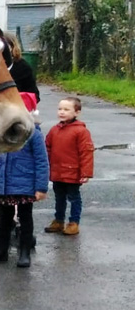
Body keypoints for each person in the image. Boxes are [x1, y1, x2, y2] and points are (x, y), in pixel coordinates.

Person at [0, 95, 50, 267]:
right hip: (2, 183)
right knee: (4, 218)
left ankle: (24, 252)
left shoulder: (33, 133)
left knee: (25, 218)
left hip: (24, 184)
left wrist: (41, 187)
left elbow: (42, 160)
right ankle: (1, 250)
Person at [43, 97, 94, 236]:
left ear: (77, 112)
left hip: (73, 172)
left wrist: (85, 173)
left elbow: (86, 152)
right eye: (60, 109)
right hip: (57, 172)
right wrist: (46, 167)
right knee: (59, 197)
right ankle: (59, 220)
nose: (62, 112)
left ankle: (73, 222)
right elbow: (47, 148)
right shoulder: (54, 130)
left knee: (74, 198)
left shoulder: (81, 131)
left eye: (66, 109)